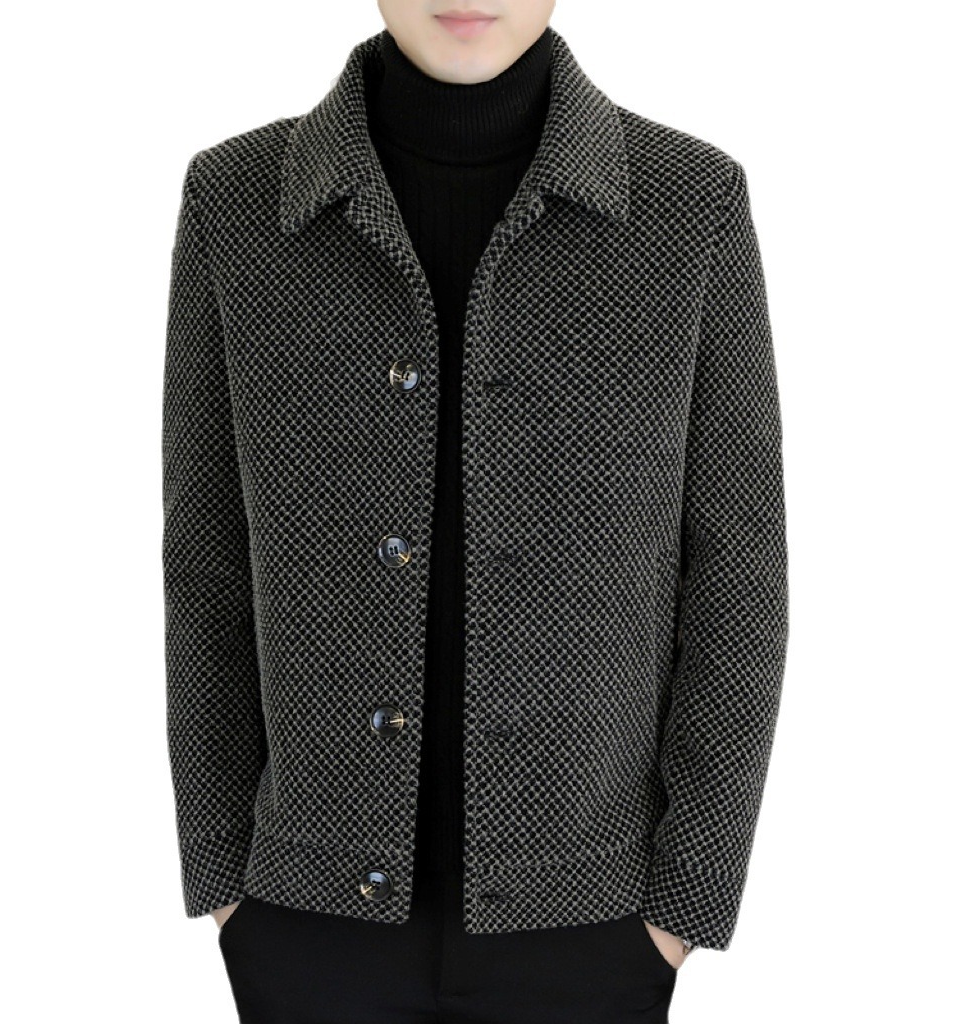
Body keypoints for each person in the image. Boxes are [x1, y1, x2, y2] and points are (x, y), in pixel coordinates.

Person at [162, 2, 789, 1021]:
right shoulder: (237, 201)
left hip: (592, 926)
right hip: (306, 924)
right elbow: (205, 564)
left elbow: (738, 578)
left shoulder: (689, 205)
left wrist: (686, 900)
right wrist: (226, 877)